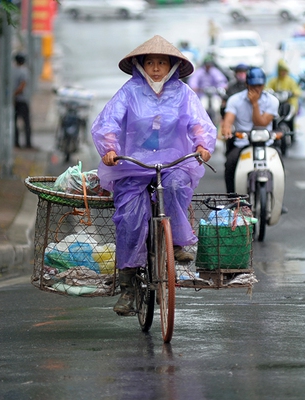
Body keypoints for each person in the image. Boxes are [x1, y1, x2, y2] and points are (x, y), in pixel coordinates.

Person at [90, 35, 217, 316]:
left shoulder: (183, 93)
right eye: (150, 63)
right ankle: (128, 287)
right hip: (132, 164)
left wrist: (203, 145)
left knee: (175, 186)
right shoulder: (129, 92)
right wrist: (109, 148)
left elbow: (200, 123)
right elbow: (107, 121)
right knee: (130, 217)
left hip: (174, 162)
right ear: (141, 65)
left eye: (162, 63)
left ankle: (178, 241)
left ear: (171, 66)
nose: (156, 68)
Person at [221, 67, 279, 194]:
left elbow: (261, 123)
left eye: (259, 85)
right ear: (247, 84)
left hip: (266, 144)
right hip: (243, 143)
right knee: (230, 164)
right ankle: (233, 198)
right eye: (253, 85)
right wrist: (226, 128)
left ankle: (277, 196)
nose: (256, 89)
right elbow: (228, 119)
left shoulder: (272, 101)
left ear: (264, 85)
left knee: (279, 165)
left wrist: (255, 104)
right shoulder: (235, 100)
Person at [265, 59, 303, 132]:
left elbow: (297, 90)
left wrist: (293, 93)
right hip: (277, 102)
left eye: (284, 71)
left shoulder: (290, 80)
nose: (283, 72)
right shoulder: (274, 80)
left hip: (287, 102)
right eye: (281, 70)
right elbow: (267, 88)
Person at [13, 53, 33, 149]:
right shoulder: (24, 71)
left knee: (14, 122)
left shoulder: (13, 71)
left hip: (14, 100)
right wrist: (16, 93)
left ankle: (16, 142)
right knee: (26, 122)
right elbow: (22, 85)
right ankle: (28, 143)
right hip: (22, 100)